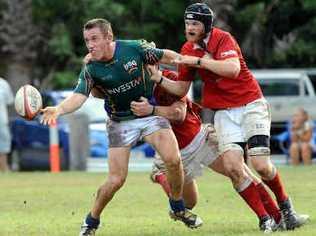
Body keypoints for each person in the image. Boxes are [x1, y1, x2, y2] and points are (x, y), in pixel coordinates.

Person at [148, 3, 309, 231]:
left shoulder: (223, 39)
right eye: (187, 23)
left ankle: (286, 209)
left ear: (206, 25)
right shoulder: (188, 49)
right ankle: (266, 221)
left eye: (194, 23)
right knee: (235, 168)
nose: (189, 28)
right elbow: (181, 89)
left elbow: (232, 69)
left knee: (261, 166)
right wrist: (159, 79)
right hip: (223, 113)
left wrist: (198, 61)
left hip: (251, 104)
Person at [40, 18, 202, 236]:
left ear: (109, 37)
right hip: (119, 121)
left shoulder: (133, 48)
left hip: (148, 112)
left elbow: (167, 56)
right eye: (87, 40)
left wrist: (189, 62)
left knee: (173, 160)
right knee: (116, 180)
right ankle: (91, 221)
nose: (90, 45)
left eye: (95, 39)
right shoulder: (91, 68)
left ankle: (178, 207)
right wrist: (58, 109)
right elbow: (79, 96)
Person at [131, 66, 284, 233]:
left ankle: (275, 218)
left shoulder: (170, 78)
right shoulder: (132, 88)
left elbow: (179, 114)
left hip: (199, 139)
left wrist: (152, 110)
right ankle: (162, 179)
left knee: (241, 172)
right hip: (172, 150)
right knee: (190, 202)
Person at [0, 77, 14, 172]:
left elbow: (10, 102)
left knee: (4, 148)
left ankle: (4, 169)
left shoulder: (3, 83)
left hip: (2, 122)